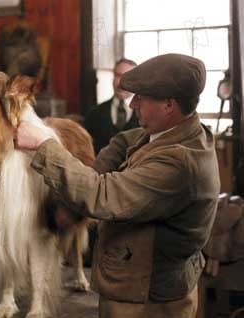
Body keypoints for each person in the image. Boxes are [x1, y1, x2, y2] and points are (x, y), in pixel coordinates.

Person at [15, 53, 220, 318]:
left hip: (147, 298)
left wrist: (44, 145)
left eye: (141, 98)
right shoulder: (179, 131)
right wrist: (90, 180)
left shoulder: (179, 161)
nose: (133, 104)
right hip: (142, 284)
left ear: (169, 105)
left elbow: (104, 196)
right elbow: (125, 140)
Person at [85, 58, 138, 154]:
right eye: (117, 75)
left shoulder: (146, 113)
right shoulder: (94, 114)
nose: (121, 82)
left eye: (127, 77)